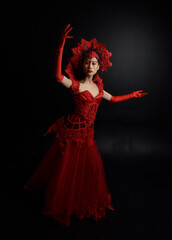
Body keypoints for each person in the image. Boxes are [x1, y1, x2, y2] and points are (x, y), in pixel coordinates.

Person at [24, 24, 148, 227]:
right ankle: (64, 201)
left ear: (99, 67)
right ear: (83, 65)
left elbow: (113, 99)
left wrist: (131, 95)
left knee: (87, 170)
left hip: (88, 135)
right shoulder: (78, 86)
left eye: (94, 63)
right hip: (73, 132)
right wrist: (61, 45)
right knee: (67, 169)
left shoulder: (99, 88)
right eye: (87, 62)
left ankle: (80, 199)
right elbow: (57, 77)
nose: (90, 65)